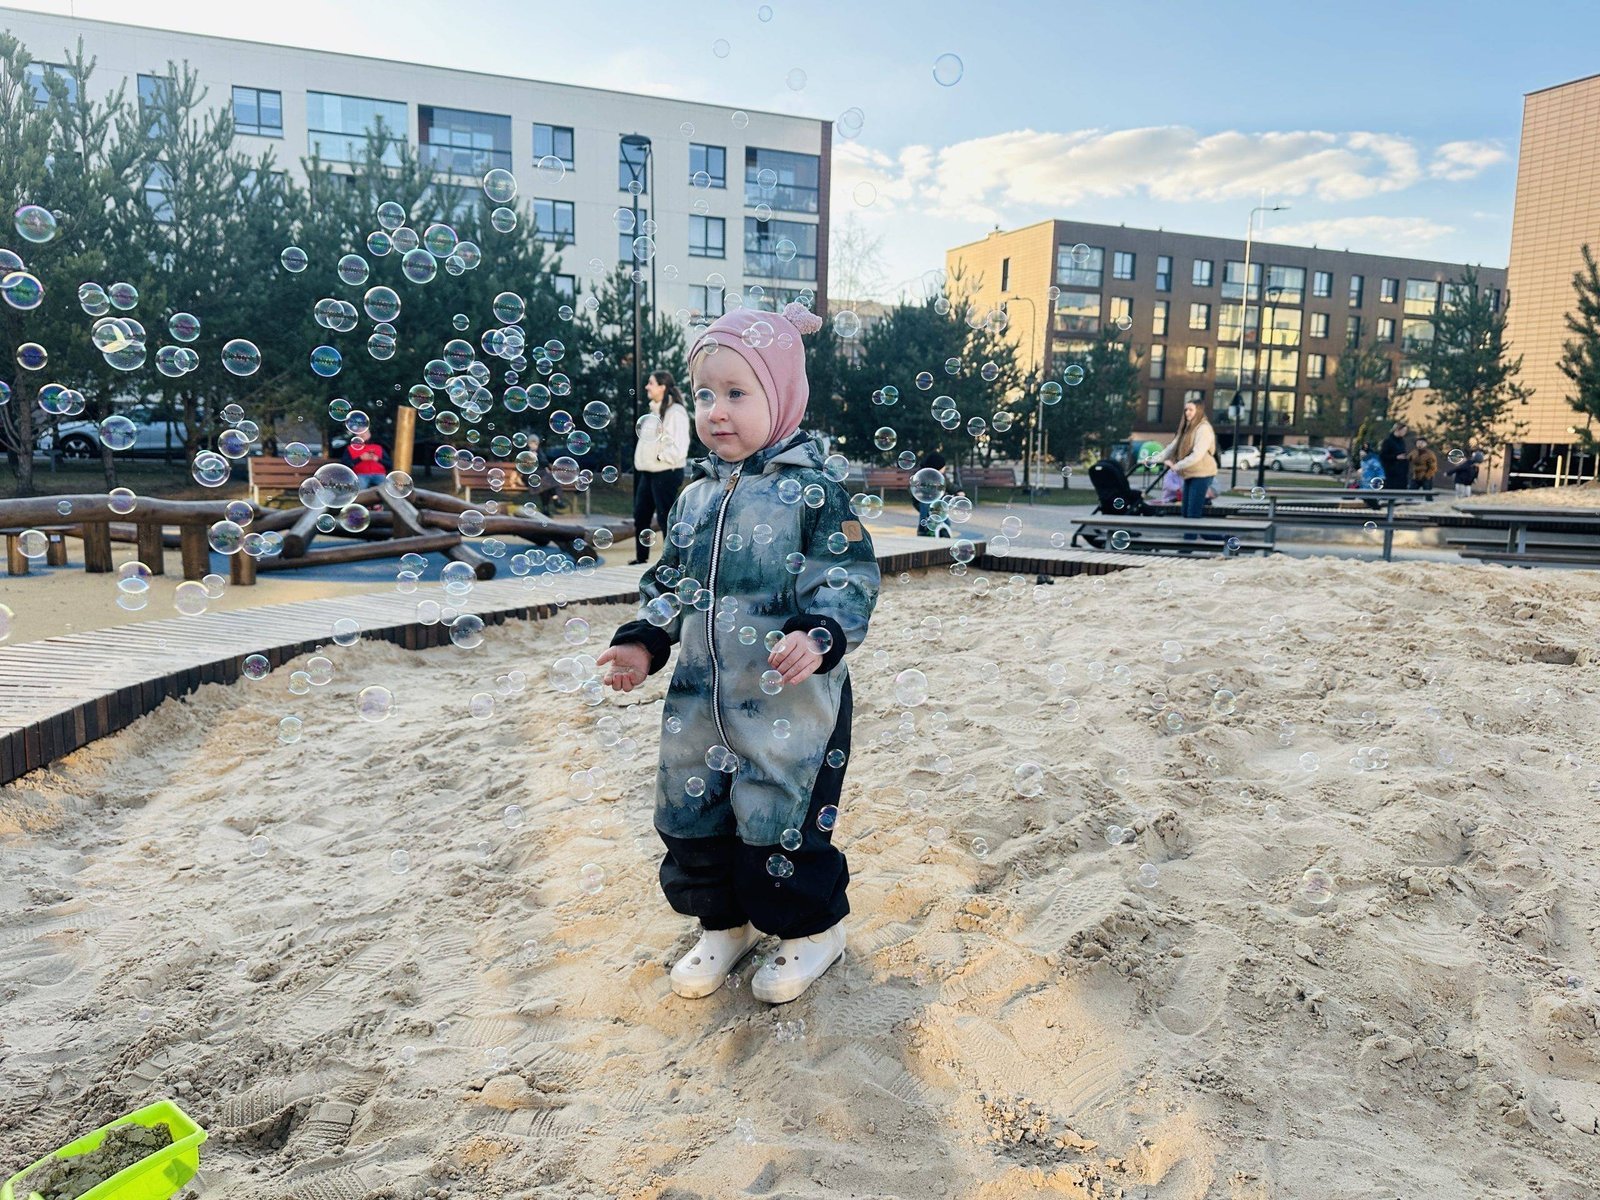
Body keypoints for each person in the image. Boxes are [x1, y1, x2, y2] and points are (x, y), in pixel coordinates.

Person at [596, 302, 880, 1008]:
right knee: (693, 814)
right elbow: (670, 584)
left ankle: (813, 931)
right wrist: (643, 641)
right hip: (701, 702)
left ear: (780, 397)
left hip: (791, 706)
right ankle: (724, 923)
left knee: (779, 821)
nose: (715, 411)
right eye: (703, 395)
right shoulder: (693, 498)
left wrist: (817, 634)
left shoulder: (813, 492)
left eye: (736, 392)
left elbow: (847, 577)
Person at [631, 370, 692, 565]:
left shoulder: (676, 412)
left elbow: (680, 446)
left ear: (662, 387)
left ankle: (670, 563)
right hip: (648, 473)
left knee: (666, 518)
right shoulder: (653, 412)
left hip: (666, 473)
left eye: (651, 383)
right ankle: (641, 559)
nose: (646, 387)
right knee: (641, 516)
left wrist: (660, 457)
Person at [1154, 396, 1218, 537]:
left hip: (1202, 473)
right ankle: (1217, 539)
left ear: (1198, 411)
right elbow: (1172, 447)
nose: (1187, 412)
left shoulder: (1203, 429)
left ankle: (1190, 545)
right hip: (1189, 473)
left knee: (1193, 513)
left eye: (1191, 410)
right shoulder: (1186, 428)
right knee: (1186, 512)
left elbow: (1197, 454)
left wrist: (1177, 466)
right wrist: (1153, 460)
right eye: (1186, 410)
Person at [914, 446, 946, 535]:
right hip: (922, 499)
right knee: (925, 503)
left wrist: (958, 490)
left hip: (937, 500)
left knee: (943, 508)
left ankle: (944, 529)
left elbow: (949, 485)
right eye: (943, 467)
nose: (944, 468)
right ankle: (922, 528)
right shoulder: (921, 475)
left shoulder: (941, 477)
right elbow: (914, 487)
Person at [1379, 422, 1410, 494]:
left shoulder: (1402, 441)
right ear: (1398, 430)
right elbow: (1383, 456)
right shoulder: (1388, 441)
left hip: (1401, 472)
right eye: (1404, 430)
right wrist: (1396, 457)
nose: (1405, 432)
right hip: (1391, 473)